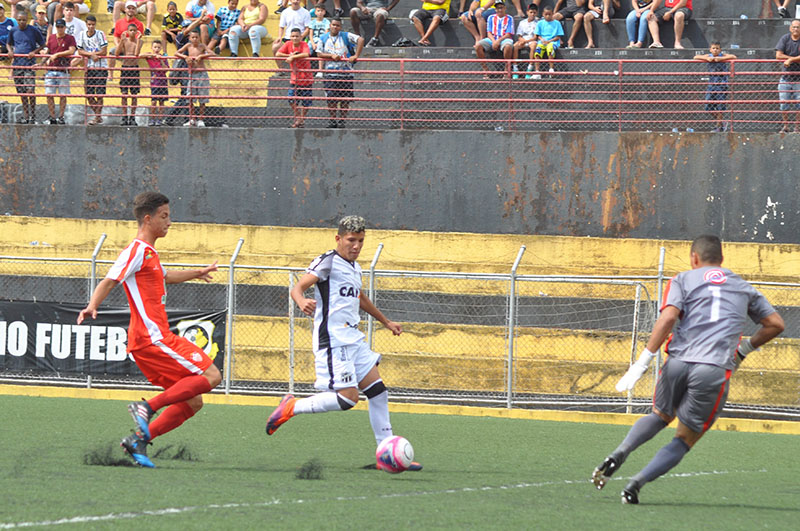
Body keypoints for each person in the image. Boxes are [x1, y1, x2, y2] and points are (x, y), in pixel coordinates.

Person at [591, 235, 784, 504]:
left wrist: (641, 363)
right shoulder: (743, 286)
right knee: (684, 438)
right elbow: (776, 324)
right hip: (713, 369)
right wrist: (743, 350)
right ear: (722, 259)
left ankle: (620, 452)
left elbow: (669, 316)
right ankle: (635, 484)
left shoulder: (683, 279)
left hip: (678, 363)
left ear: (694, 257)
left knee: (660, 415)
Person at [265, 215, 422, 472]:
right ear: (338, 239)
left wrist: (385, 321)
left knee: (378, 392)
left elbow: (359, 297)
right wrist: (301, 300)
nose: (356, 246)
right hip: (334, 340)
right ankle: (292, 406)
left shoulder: (355, 268)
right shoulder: (328, 262)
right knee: (348, 400)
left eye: (360, 240)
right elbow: (298, 287)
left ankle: (385, 454)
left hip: (354, 339)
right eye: (351, 240)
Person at [77, 192, 221, 469]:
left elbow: (166, 276)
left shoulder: (150, 254)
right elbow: (110, 280)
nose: (169, 222)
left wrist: (197, 273)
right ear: (148, 218)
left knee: (193, 402)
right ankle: (148, 407)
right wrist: (92, 305)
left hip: (151, 340)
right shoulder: (136, 250)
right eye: (164, 216)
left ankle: (137, 441)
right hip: (153, 338)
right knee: (212, 375)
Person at [316, 17, 363, 128]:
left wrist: (356, 55)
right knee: (331, 98)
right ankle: (332, 120)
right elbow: (319, 53)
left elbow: (360, 39)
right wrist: (331, 56)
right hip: (330, 73)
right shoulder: (323, 38)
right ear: (330, 26)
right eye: (333, 25)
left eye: (337, 25)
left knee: (345, 99)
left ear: (340, 27)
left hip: (346, 73)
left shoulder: (345, 35)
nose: (335, 27)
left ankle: (342, 121)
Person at [7, 8, 44, 124]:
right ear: (17, 20)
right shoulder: (13, 30)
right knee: (22, 92)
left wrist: (35, 52)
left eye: (24, 20)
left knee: (30, 90)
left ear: (27, 20)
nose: (22, 22)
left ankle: (33, 115)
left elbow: (42, 44)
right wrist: (10, 51)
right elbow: (8, 43)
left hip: (29, 64)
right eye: (19, 20)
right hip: (18, 65)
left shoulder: (33, 30)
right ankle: (26, 116)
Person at [693, 42, 735, 133]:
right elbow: (696, 57)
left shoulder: (723, 55)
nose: (715, 50)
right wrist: (708, 58)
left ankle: (718, 127)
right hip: (711, 85)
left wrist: (720, 59)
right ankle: (722, 122)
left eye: (717, 48)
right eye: (713, 48)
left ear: (720, 50)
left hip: (722, 85)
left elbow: (733, 57)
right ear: (710, 49)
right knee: (708, 106)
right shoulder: (709, 55)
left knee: (720, 107)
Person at [176, 28, 213, 126]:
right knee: (190, 97)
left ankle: (201, 119)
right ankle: (192, 118)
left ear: (199, 38)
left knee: (202, 98)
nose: (195, 39)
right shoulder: (188, 46)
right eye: (193, 37)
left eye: (197, 37)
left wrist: (201, 56)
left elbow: (212, 53)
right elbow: (177, 53)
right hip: (192, 74)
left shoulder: (202, 46)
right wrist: (185, 57)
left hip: (202, 74)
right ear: (190, 38)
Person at [275, 27, 312, 127]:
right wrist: (289, 55)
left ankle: (302, 119)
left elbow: (306, 54)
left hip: (306, 78)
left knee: (306, 102)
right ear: (290, 37)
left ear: (301, 37)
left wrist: (292, 57)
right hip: (295, 78)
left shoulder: (304, 44)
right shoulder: (288, 44)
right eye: (293, 36)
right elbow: (278, 53)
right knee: (291, 99)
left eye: (297, 36)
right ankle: (299, 117)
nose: (295, 38)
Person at [77, 14, 109, 125]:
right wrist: (91, 55)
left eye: (93, 25)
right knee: (88, 94)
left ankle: (97, 117)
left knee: (99, 94)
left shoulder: (100, 34)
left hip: (101, 67)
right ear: (86, 24)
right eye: (89, 24)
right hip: (89, 68)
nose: (91, 27)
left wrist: (94, 55)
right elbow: (80, 50)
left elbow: (104, 51)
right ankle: (98, 115)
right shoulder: (81, 35)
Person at [44, 18, 75, 125]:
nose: (60, 29)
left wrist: (57, 54)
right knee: (49, 94)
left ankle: (61, 116)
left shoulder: (70, 38)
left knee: (63, 95)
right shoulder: (52, 38)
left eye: (62, 27)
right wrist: (42, 62)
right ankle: (52, 116)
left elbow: (72, 50)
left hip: (62, 69)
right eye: (58, 27)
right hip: (51, 69)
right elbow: (48, 51)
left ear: (65, 27)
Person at [475, 1, 514, 78]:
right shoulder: (491, 18)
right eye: (498, 8)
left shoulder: (509, 18)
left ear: (505, 8)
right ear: (495, 9)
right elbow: (489, 32)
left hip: (504, 39)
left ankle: (506, 70)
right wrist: (494, 41)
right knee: (478, 46)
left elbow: (509, 33)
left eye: (501, 7)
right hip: (492, 39)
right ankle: (485, 70)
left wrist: (498, 41)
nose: (500, 10)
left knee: (508, 46)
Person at [776, 18, 800, 133]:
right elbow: (778, 55)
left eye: (798, 27)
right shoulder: (785, 38)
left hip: (799, 79)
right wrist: (792, 59)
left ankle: (797, 127)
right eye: (794, 27)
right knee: (783, 104)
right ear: (790, 28)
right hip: (785, 78)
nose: (796, 29)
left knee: (799, 105)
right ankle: (786, 126)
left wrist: (790, 60)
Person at [116, 23, 143, 125]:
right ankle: (124, 116)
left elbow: (136, 54)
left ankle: (132, 116)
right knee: (124, 94)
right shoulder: (124, 41)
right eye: (130, 30)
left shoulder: (139, 41)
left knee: (134, 95)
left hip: (134, 69)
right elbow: (117, 54)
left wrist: (139, 39)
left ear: (136, 32)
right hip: (125, 68)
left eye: (134, 30)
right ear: (127, 31)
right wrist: (121, 41)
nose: (132, 32)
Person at [144, 39, 169, 125]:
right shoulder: (150, 56)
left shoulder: (163, 57)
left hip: (163, 82)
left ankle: (159, 119)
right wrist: (152, 55)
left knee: (161, 102)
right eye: (155, 47)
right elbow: (140, 55)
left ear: (161, 48)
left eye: (158, 47)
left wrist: (161, 59)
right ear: (152, 48)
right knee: (153, 101)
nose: (157, 49)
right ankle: (152, 118)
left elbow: (166, 69)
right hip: (154, 82)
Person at [532, 5, 562, 77]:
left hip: (553, 42)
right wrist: (542, 39)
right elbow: (537, 35)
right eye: (546, 14)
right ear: (543, 14)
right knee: (537, 51)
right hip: (542, 42)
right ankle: (537, 71)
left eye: (549, 14)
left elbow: (558, 36)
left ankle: (551, 69)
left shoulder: (557, 23)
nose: (548, 16)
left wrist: (549, 41)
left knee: (550, 49)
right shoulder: (540, 23)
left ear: (552, 14)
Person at [512, 3, 537, 79]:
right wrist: (522, 40)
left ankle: (530, 68)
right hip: (523, 40)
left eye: (534, 13)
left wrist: (525, 41)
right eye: (531, 12)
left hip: (531, 40)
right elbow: (519, 35)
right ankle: (515, 69)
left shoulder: (538, 23)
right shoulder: (522, 22)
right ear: (527, 12)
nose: (532, 14)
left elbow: (535, 37)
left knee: (533, 46)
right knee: (515, 46)